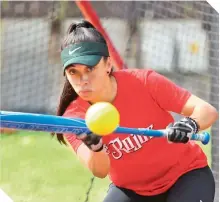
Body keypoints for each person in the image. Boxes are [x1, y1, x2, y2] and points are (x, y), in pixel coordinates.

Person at [52, 20, 218, 202]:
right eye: (73, 72)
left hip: (186, 176)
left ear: (107, 64)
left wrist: (190, 124)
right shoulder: (73, 117)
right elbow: (100, 171)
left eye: (90, 69)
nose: (83, 79)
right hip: (132, 190)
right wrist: (96, 146)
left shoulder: (144, 81)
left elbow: (206, 110)